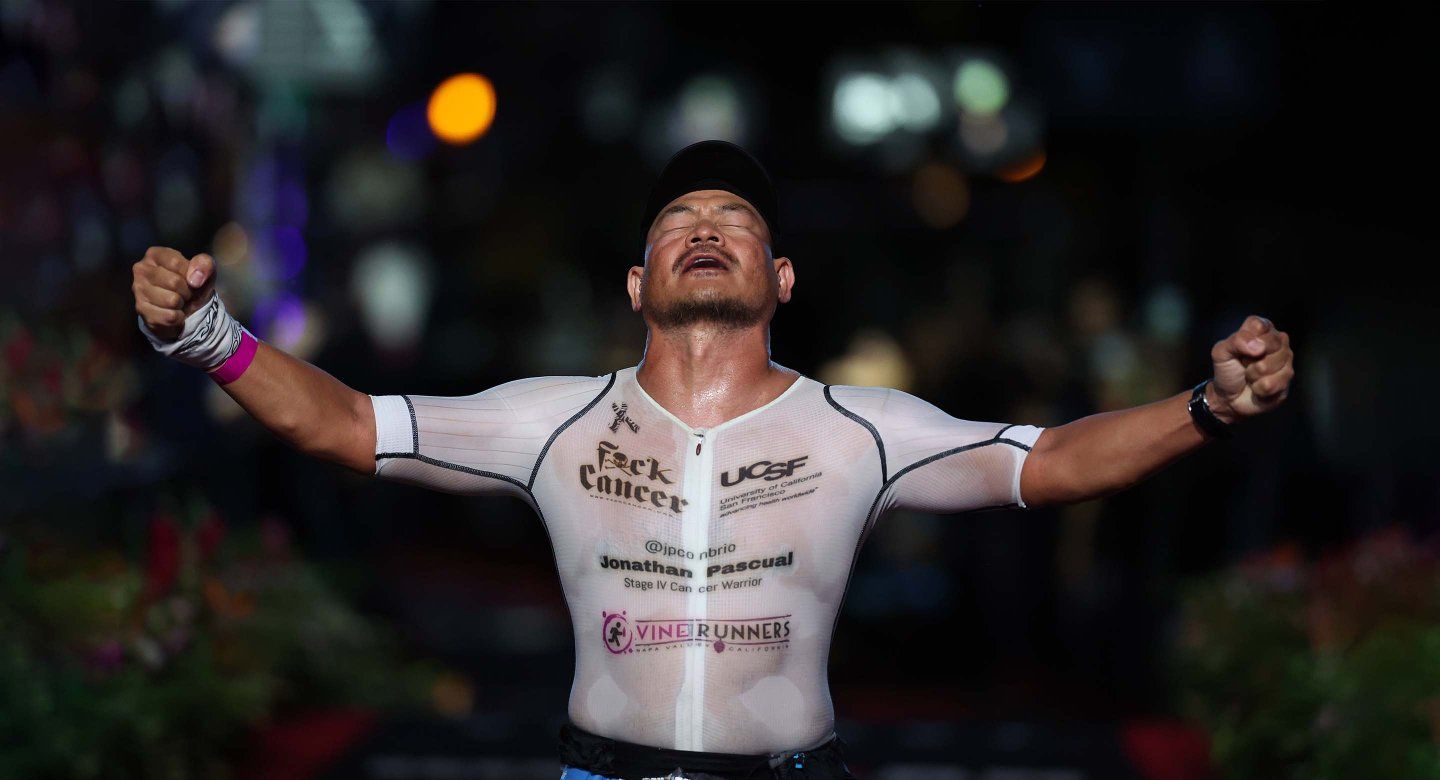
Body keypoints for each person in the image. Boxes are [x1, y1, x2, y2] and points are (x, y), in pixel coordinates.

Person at [131, 141, 1295, 779]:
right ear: (637, 282)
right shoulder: (555, 420)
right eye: (679, 217)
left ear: (780, 278)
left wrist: (1208, 406)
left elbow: (1053, 461)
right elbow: (347, 424)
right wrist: (206, 337)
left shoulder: (860, 427)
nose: (705, 226)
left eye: (736, 219)